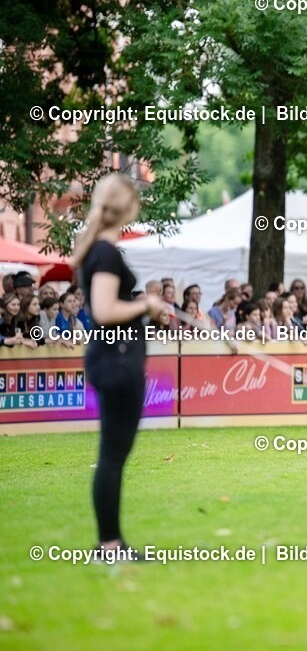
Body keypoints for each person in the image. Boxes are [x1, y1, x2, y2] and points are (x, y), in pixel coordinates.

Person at [70, 173, 166, 561]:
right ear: (127, 207)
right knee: (112, 455)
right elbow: (106, 310)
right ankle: (109, 544)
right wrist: (146, 304)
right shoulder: (106, 253)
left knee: (113, 454)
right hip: (117, 359)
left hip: (116, 357)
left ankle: (111, 542)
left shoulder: (98, 249)